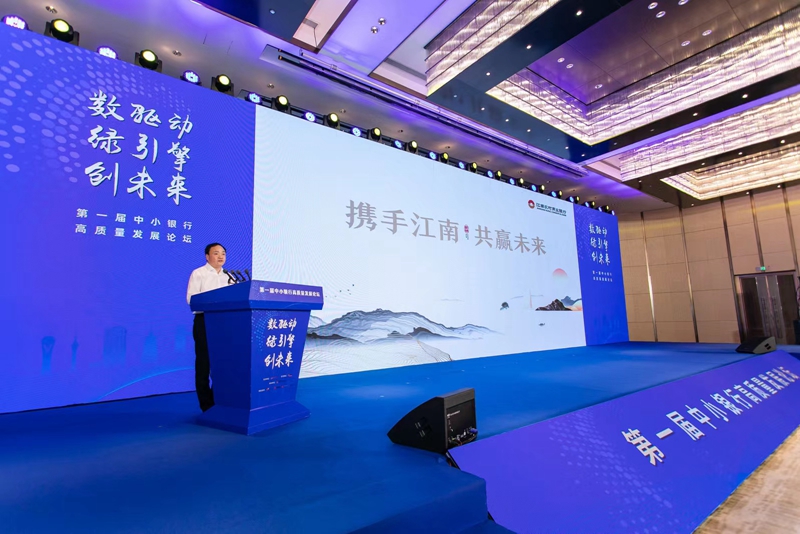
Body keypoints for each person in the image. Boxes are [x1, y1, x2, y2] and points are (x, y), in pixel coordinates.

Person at [186, 243, 229, 412]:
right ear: (207, 256)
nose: (221, 256)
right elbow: (191, 299)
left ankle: (220, 398)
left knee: (223, 362)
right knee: (204, 362)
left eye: (223, 253)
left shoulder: (229, 277)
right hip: (204, 320)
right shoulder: (199, 273)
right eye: (216, 253)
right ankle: (206, 404)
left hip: (225, 323)